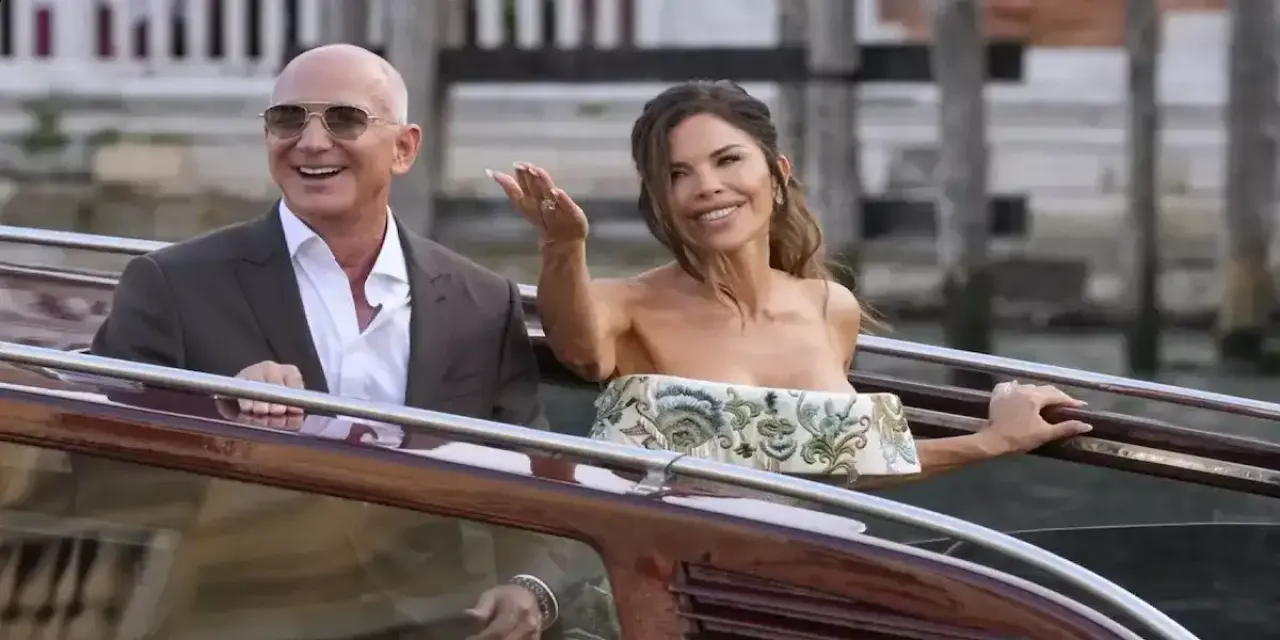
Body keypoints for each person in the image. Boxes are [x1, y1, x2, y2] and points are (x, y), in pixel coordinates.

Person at [92, 44, 556, 639]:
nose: (311, 142)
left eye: (344, 119)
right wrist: (217, 417)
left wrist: (531, 588)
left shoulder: (483, 301)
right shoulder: (172, 285)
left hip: (437, 624)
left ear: (404, 147)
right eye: (288, 119)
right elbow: (97, 478)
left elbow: (534, 476)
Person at [491, 80, 1093, 486]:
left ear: (777, 174)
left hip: (810, 575)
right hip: (668, 577)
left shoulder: (830, 306)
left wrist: (996, 438)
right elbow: (579, 350)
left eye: (728, 160)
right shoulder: (625, 304)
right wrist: (563, 247)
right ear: (660, 200)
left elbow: (848, 462)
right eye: (678, 174)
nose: (707, 186)